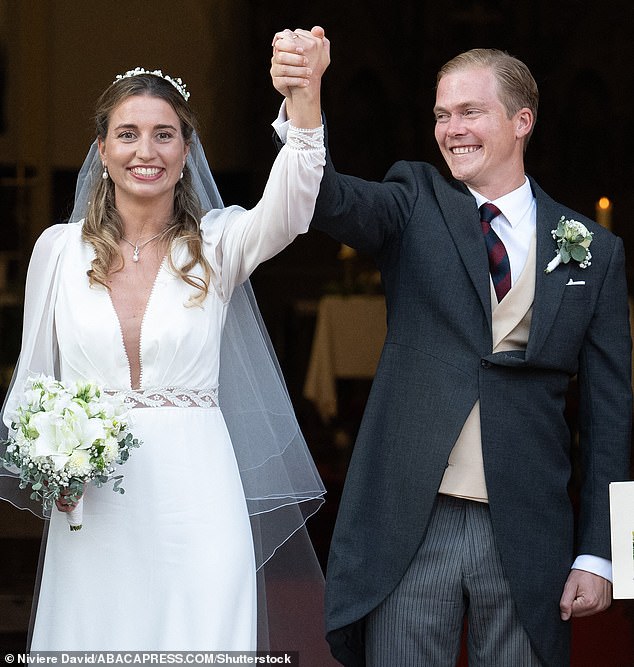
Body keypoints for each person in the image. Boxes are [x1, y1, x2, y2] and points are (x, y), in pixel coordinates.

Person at [271, 29, 632, 667]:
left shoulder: (595, 252)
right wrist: (305, 99)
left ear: (523, 121)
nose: (451, 129)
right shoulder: (414, 201)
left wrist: (608, 556)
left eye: (470, 111)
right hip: (412, 522)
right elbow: (325, 198)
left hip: (528, 532)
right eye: (442, 114)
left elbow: (613, 413)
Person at [0, 30, 334, 655]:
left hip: (199, 496)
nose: (144, 151)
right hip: (94, 504)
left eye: (164, 134)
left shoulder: (220, 242)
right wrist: (52, 466)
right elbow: (31, 388)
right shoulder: (55, 251)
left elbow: (291, 208)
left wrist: (303, 98)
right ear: (101, 149)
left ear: (187, 150)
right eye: (127, 134)